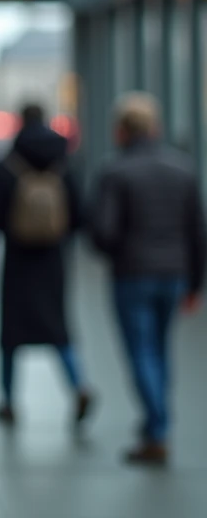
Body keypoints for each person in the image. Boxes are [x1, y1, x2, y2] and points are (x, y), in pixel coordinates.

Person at [90, 93, 205, 465]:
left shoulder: (115, 172)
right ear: (155, 128)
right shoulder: (183, 168)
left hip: (132, 274)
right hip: (173, 274)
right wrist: (195, 283)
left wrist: (119, 251)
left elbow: (102, 232)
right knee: (159, 347)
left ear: (120, 130)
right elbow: (197, 231)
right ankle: (157, 422)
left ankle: (157, 428)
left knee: (141, 350)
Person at [0, 104, 94, 428]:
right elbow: (80, 216)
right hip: (53, 259)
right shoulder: (64, 163)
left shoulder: (9, 165)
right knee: (58, 327)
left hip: (17, 259)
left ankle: (8, 401)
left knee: (11, 333)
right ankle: (78, 386)